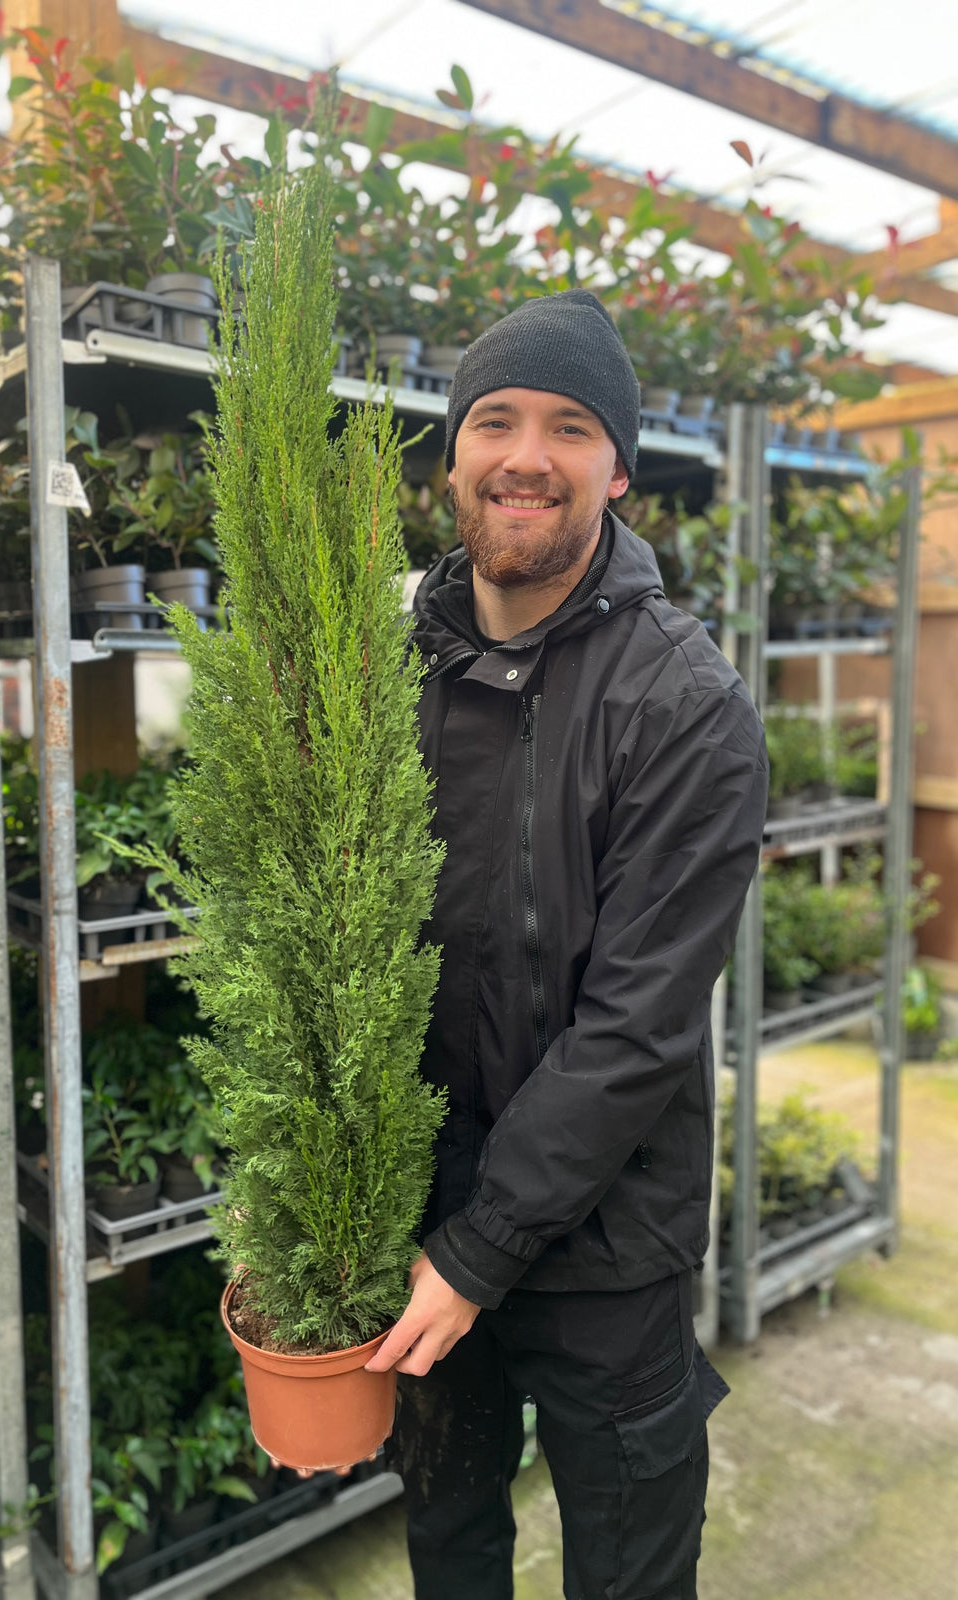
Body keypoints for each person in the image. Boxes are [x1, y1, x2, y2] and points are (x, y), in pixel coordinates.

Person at [363, 289, 768, 1600]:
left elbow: (638, 1024)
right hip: (423, 1221)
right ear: (452, 453)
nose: (525, 453)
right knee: (451, 1554)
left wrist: (485, 1249)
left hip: (604, 1251)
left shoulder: (685, 703)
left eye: (570, 425)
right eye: (494, 418)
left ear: (620, 468)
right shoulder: (386, 673)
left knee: (628, 1573)